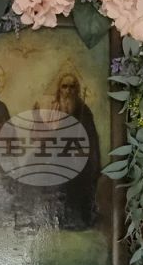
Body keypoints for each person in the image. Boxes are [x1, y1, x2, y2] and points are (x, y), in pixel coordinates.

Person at [36, 73, 101, 229]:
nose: (68, 91)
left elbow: (90, 138)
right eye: (64, 87)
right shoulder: (53, 109)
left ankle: (76, 218)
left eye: (72, 87)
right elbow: (45, 135)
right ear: (59, 89)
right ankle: (52, 218)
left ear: (77, 90)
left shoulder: (84, 111)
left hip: (77, 155)